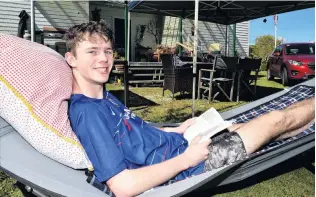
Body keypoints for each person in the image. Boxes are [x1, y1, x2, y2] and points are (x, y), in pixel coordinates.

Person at [64, 21, 315, 197]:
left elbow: (131, 132)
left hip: (182, 141)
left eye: (108, 51)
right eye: (92, 51)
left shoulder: (103, 97)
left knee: (244, 125)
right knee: (273, 120)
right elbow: (122, 186)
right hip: (189, 164)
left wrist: (175, 129)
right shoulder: (88, 113)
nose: (104, 59)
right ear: (71, 59)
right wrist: (187, 159)